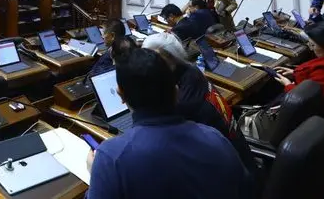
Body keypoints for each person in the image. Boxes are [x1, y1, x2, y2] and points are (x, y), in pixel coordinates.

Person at [86, 48, 251, 199]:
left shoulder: (110, 158)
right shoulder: (215, 138)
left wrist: (96, 175)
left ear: (121, 95)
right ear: (176, 91)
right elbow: (245, 189)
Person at [142, 32, 253, 172]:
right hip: (234, 153)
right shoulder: (192, 71)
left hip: (227, 169)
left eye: (151, 57)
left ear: (169, 57)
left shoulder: (183, 101)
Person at [270, 21, 324, 100]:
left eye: (313, 45)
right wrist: (294, 73)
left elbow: (305, 99)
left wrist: (287, 84)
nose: (311, 49)